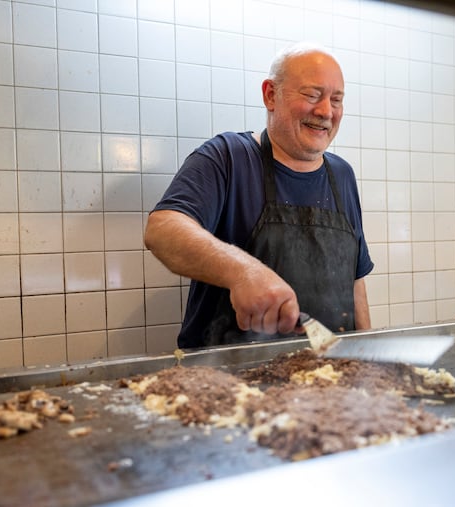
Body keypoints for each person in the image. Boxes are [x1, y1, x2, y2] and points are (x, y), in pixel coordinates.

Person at [144, 42, 374, 349]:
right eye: (312, 95)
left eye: (336, 100)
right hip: (230, 381)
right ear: (270, 95)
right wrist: (243, 272)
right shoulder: (227, 157)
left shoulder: (342, 175)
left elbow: (356, 284)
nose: (325, 111)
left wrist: (369, 359)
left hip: (326, 378)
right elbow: (162, 230)